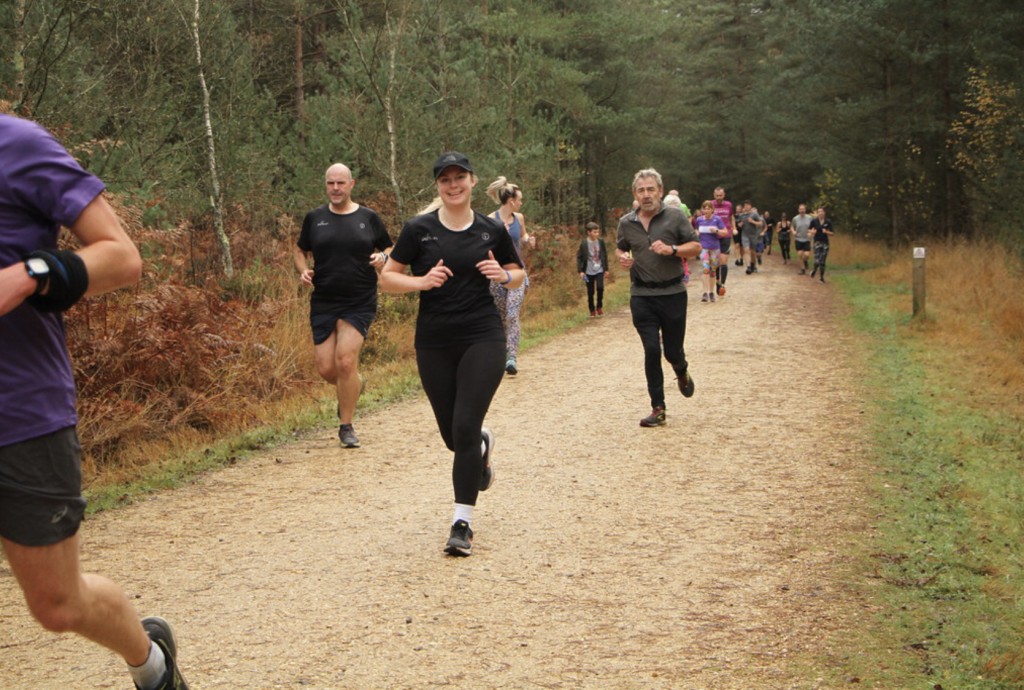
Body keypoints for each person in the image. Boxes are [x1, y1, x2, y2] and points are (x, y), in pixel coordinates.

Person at [0, 114, 189, 689]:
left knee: (57, 605)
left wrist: (31, 274)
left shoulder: (18, 145)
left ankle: (149, 659)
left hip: (20, 413)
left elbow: (122, 257)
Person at [379, 152, 525, 557]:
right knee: (453, 436)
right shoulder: (418, 229)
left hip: (482, 337)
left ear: (473, 182)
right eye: (446, 179)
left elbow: (519, 273)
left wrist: (504, 276)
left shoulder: (490, 230)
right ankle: (480, 444)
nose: (453, 184)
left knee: (462, 426)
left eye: (460, 177)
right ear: (438, 186)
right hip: (433, 341)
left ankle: (462, 524)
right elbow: (388, 279)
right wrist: (421, 281)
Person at [294, 163, 393, 449]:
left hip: (359, 298)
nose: (335, 188)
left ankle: (346, 426)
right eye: (330, 183)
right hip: (324, 299)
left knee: (345, 361)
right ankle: (353, 385)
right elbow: (300, 249)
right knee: (327, 369)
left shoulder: (368, 217)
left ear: (352, 184)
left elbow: (389, 247)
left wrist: (383, 258)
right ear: (325, 185)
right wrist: (302, 269)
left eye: (341, 183)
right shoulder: (315, 218)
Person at [616, 168, 700, 428]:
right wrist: (622, 258)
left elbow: (695, 248)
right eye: (641, 190)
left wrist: (672, 249)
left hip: (673, 293)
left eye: (651, 189)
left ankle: (681, 368)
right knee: (652, 349)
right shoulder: (626, 223)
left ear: (660, 191)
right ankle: (658, 407)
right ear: (635, 194)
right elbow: (621, 247)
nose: (646, 195)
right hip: (642, 294)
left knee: (672, 351)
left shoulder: (675, 217)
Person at [485, 176, 534, 375]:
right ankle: (500, 354)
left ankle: (512, 357)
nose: (521, 203)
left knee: (512, 314)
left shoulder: (519, 218)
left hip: (516, 274)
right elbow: (484, 246)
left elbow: (523, 236)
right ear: (511, 200)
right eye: (519, 199)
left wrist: (529, 240)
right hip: (497, 275)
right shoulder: (491, 220)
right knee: (501, 317)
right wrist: (499, 235)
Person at [694, 200, 728, 303]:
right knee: (705, 269)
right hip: (704, 248)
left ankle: (711, 292)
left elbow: (725, 232)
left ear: (712, 210)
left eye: (709, 208)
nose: (706, 210)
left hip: (714, 249)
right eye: (705, 208)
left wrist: (717, 231)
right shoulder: (699, 220)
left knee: (713, 271)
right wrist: (696, 233)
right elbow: (696, 230)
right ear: (702, 210)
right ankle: (705, 293)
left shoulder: (717, 219)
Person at [577, 221, 609, 316]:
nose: (597, 234)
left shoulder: (601, 242)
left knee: (600, 288)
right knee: (590, 291)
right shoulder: (584, 243)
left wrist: (606, 269)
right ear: (589, 232)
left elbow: (604, 255)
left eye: (597, 232)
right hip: (588, 271)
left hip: (599, 269)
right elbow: (579, 257)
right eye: (594, 232)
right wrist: (581, 271)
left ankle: (599, 306)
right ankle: (592, 310)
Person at [711, 186, 736, 295]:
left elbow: (731, 217)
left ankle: (722, 285)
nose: (719, 198)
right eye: (717, 196)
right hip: (714, 236)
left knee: (723, 261)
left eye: (720, 195)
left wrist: (734, 227)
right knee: (715, 262)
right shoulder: (710, 205)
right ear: (714, 195)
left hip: (726, 234)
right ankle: (717, 281)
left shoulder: (729, 205)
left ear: (724, 195)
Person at [663, 193, 692, 285]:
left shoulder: (682, 221)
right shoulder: (660, 221)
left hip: (680, 260)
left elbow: (691, 245)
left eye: (675, 208)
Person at [737, 200, 764, 274]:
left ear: (750, 206)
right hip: (744, 235)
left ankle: (753, 265)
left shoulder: (754, 214)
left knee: (753, 252)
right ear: (744, 207)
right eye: (745, 205)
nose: (746, 206)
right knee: (746, 250)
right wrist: (740, 225)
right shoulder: (741, 215)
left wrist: (753, 222)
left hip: (753, 235)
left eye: (748, 205)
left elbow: (761, 223)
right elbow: (738, 225)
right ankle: (748, 267)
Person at [808, 206, 835, 283]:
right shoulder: (814, 221)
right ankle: (814, 270)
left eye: (821, 211)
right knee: (817, 261)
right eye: (819, 212)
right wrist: (812, 232)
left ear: (824, 212)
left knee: (822, 261)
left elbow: (832, 233)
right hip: (817, 242)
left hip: (825, 243)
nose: (820, 213)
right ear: (817, 213)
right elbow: (809, 229)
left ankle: (821, 278)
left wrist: (826, 232)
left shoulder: (828, 221)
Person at [792, 203, 814, 274]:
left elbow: (813, 227)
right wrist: (793, 231)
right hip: (798, 238)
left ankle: (805, 261)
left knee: (807, 255)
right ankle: (802, 269)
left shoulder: (810, 218)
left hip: (807, 239)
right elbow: (792, 226)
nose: (802, 211)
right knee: (800, 255)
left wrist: (811, 232)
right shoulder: (795, 218)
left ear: (805, 210)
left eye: (803, 209)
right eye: (800, 209)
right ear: (798, 210)